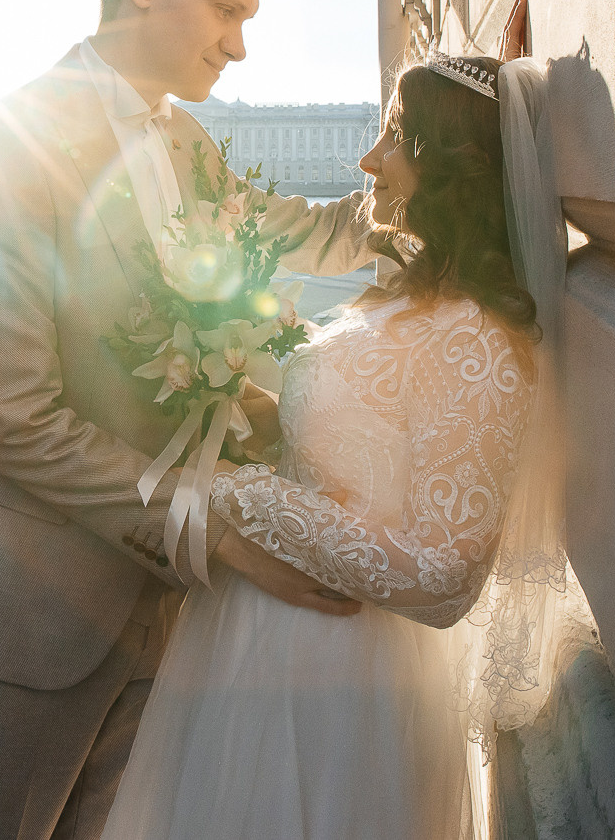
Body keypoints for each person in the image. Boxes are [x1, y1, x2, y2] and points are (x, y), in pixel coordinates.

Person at [0, 0, 378, 840]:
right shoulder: (8, 143)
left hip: (158, 623)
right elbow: (16, 418)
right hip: (16, 622)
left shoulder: (187, 140)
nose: (238, 43)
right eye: (226, 9)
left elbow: (307, 233)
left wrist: (448, 174)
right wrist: (214, 530)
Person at [99, 51, 571, 840]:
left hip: (338, 676)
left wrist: (235, 495)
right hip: (255, 647)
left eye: (394, 135)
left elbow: (444, 576)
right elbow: (363, 441)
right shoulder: (411, 301)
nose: (367, 159)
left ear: (451, 165)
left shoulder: (482, 339)